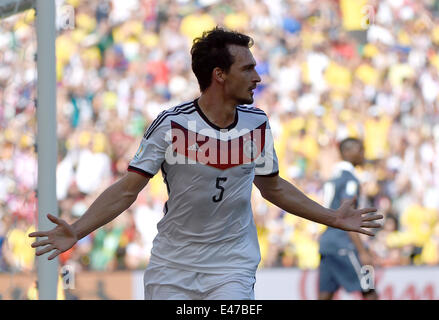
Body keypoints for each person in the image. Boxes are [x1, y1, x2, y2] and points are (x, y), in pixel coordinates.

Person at [29, 27, 383, 300]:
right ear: (220, 75)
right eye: (248, 69)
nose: (257, 78)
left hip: (232, 264)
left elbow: (272, 187)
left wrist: (332, 217)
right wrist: (77, 229)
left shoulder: (256, 124)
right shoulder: (172, 125)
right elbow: (127, 191)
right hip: (173, 265)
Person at [318, 137, 379, 300]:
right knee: (369, 289)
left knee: (325, 295)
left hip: (327, 243)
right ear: (346, 152)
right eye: (360, 150)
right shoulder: (350, 180)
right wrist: (362, 251)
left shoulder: (333, 178)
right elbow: (347, 216)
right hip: (343, 242)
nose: (363, 154)